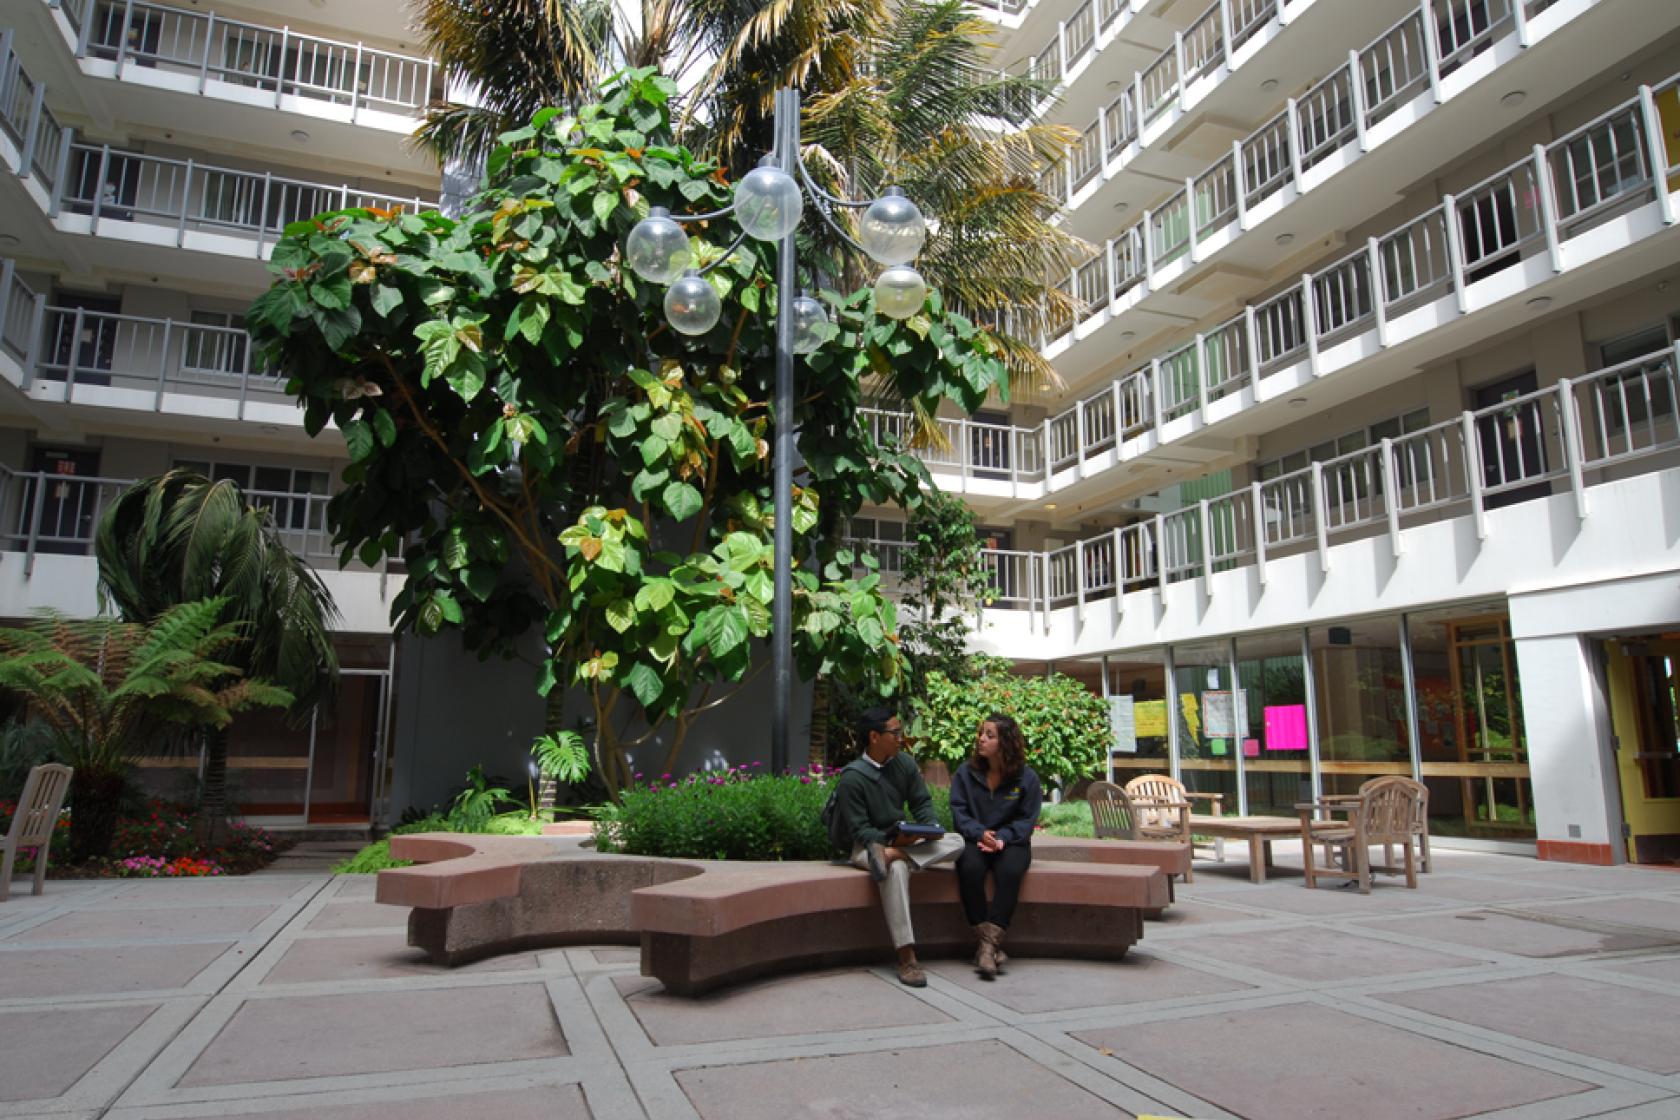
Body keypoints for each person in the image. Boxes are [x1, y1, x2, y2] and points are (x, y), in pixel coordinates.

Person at [832, 705, 963, 988]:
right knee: (896, 870)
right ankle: (907, 957)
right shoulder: (852, 778)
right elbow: (860, 829)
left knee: (958, 840)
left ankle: (894, 854)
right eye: (895, 732)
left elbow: (921, 803)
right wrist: (885, 843)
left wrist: (930, 830)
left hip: (899, 843)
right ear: (874, 737)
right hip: (866, 847)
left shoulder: (903, 764)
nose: (901, 738)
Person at [948, 713, 1043, 980]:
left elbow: (1027, 819)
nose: (981, 739)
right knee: (969, 867)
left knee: (1011, 871)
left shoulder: (1028, 778)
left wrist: (1001, 837)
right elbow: (958, 812)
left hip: (1011, 841)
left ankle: (986, 947)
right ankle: (989, 947)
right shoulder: (966, 773)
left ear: (1006, 742)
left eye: (990, 735)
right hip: (975, 840)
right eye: (981, 733)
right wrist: (979, 833)